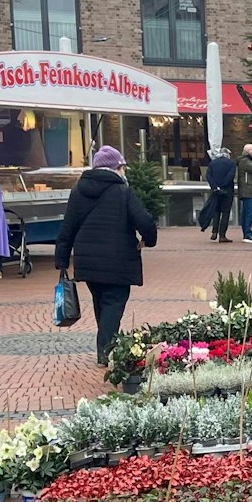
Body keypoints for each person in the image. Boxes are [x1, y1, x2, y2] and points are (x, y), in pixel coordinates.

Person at [55, 146, 158, 366]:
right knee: (113, 303)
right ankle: (106, 351)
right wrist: (148, 240)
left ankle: (106, 346)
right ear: (116, 168)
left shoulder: (78, 190)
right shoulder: (122, 192)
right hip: (118, 260)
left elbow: (68, 227)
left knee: (101, 301)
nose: (125, 172)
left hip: (87, 261)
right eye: (123, 167)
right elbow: (145, 221)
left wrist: (61, 260)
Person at [204, 145, 237, 243]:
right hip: (227, 190)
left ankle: (214, 231)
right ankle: (222, 235)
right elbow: (231, 176)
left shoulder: (212, 163)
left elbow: (208, 176)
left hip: (215, 191)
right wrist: (223, 185)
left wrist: (215, 187)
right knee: (225, 213)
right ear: (227, 154)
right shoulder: (231, 163)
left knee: (216, 211)